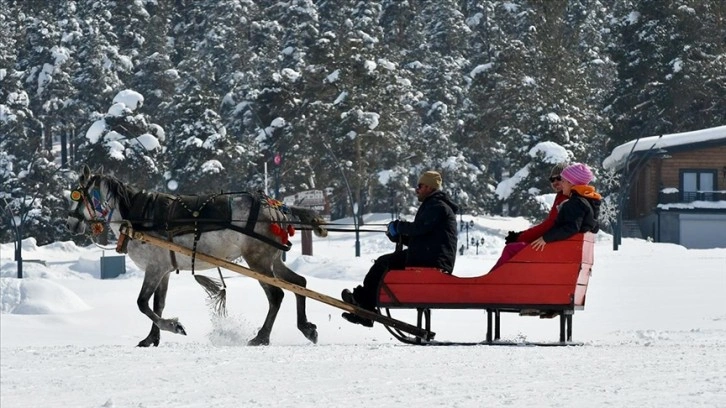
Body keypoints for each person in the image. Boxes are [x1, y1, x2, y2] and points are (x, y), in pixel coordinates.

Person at [341, 170, 459, 327]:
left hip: (433, 260)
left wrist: (399, 226)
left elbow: (419, 228)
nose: (416, 189)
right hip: (429, 255)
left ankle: (364, 304)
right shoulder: (433, 205)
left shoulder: (437, 206)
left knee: (383, 263)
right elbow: (423, 238)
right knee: (384, 262)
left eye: (420, 186)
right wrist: (398, 236)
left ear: (430, 188)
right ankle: (365, 305)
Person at [490, 163, 601, 270]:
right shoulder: (586, 202)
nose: (558, 183)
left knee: (511, 249)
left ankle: (492, 282)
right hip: (562, 249)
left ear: (571, 183)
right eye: (552, 180)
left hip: (557, 251)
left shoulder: (571, 201)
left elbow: (560, 226)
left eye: (561, 179)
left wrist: (527, 237)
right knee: (514, 248)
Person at [505, 162, 568, 244]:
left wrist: (520, 237)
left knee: (511, 249)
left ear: (567, 179)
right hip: (557, 242)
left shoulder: (565, 199)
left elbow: (550, 225)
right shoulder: (560, 196)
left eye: (559, 178)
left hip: (557, 244)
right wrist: (522, 234)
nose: (555, 182)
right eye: (552, 180)